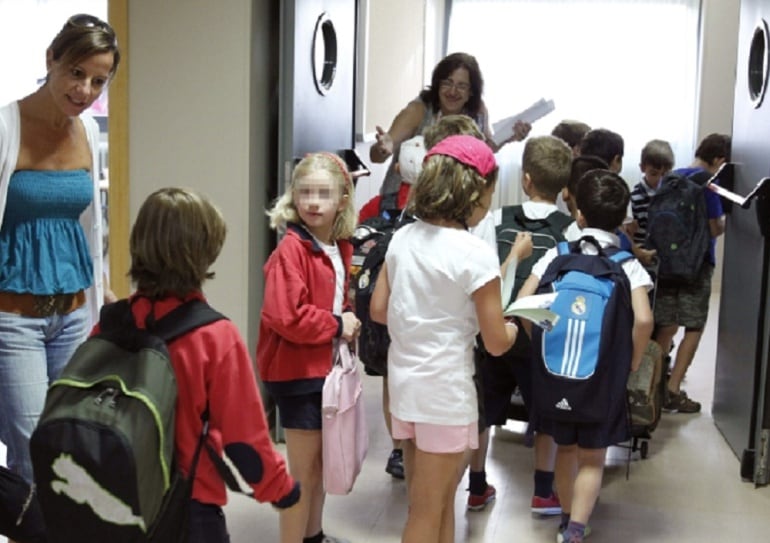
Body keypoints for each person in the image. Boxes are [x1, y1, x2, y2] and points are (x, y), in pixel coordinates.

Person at [118, 187, 301, 543]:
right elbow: (244, 439)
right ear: (202, 254)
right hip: (187, 507)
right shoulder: (215, 336)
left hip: (116, 497)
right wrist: (280, 489)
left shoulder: (113, 322)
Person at [370, 135, 518, 543]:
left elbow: (379, 310)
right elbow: (495, 342)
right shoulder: (475, 254)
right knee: (426, 511)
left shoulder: (403, 238)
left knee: (433, 505)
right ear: (476, 191)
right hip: (446, 395)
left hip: (407, 387)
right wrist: (515, 326)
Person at [0, 13, 119, 485]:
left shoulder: (88, 133)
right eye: (76, 73)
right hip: (14, 319)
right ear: (51, 59)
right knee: (31, 451)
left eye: (98, 80)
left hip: (72, 313)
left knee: (72, 442)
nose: (85, 91)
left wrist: (102, 285)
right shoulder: (6, 128)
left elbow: (90, 226)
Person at [518, 169, 654, 543]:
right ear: (624, 219)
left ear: (579, 215)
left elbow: (525, 304)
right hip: (602, 374)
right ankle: (576, 530)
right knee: (593, 456)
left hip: (554, 371)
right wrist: (633, 360)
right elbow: (643, 320)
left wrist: (540, 342)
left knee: (566, 447)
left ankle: (563, 517)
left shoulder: (556, 255)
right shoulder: (628, 265)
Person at [257, 152, 360, 543]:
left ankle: (312, 536)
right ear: (293, 197)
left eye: (323, 193)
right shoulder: (292, 249)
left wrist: (346, 318)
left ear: (342, 200)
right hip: (297, 374)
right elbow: (286, 316)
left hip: (324, 370)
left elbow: (333, 299)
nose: (313, 202)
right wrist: (337, 324)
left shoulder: (338, 246)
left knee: (318, 465)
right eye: (305, 193)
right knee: (302, 472)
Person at [469, 135, 574, 515]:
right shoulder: (570, 230)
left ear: (525, 179)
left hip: (493, 329)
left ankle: (477, 486)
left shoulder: (496, 219)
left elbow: (479, 270)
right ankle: (543, 491)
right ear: (563, 188)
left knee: (483, 410)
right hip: (542, 338)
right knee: (545, 414)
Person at [357, 135, 426, 480]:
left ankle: (400, 450)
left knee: (390, 377)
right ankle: (410, 446)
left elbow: (355, 242)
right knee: (408, 376)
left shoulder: (377, 204)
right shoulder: (432, 210)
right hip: (414, 306)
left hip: (384, 306)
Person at [369, 52, 530, 196]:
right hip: (404, 200)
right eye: (447, 83)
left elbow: (484, 149)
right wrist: (382, 149)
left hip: (448, 201)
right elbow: (377, 155)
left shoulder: (478, 111)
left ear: (471, 92)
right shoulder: (418, 110)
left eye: (461, 86)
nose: (453, 91)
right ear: (437, 85)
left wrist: (508, 137)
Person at [654, 133, 730, 414]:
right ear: (719, 160)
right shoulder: (709, 184)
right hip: (697, 265)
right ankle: (672, 391)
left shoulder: (670, 177)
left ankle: (651, 387)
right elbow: (713, 228)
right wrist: (725, 222)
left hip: (667, 262)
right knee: (694, 326)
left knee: (666, 324)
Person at [628, 139, 675, 266]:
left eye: (665, 174)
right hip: (642, 254)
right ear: (643, 168)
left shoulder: (673, 194)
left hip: (667, 254)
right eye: (654, 174)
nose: (660, 180)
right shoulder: (635, 196)